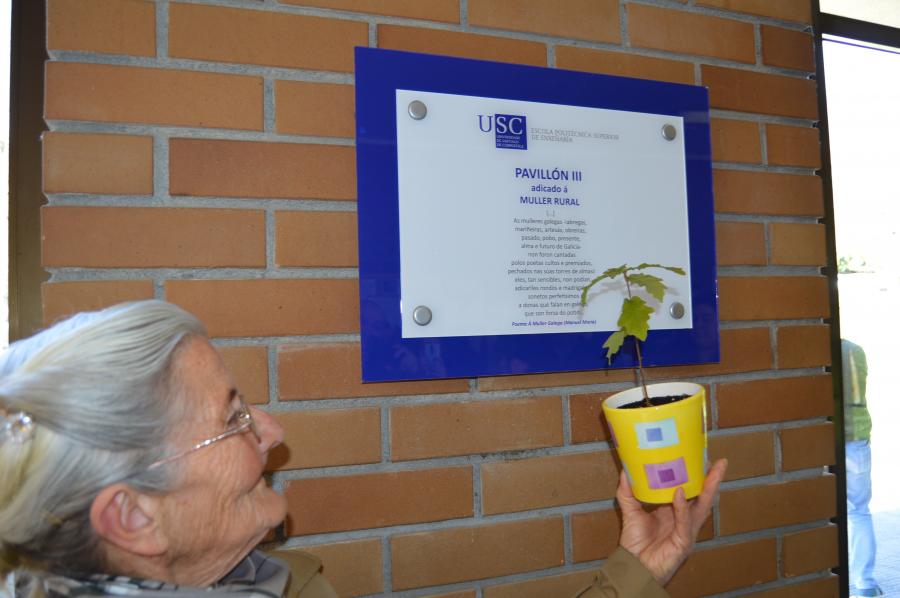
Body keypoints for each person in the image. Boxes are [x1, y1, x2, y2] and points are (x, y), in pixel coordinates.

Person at [0, 300, 726, 597]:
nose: (274, 434)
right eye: (236, 418)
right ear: (132, 518)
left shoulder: (268, 581)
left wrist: (637, 570)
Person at [842, 339, 883, 598]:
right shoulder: (854, 350)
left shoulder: (818, 353)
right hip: (856, 439)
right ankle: (865, 582)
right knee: (858, 511)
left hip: (825, 438)